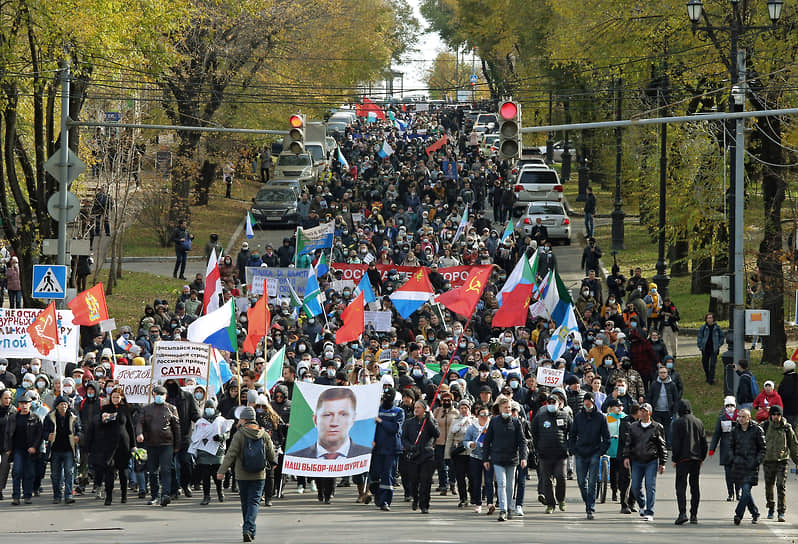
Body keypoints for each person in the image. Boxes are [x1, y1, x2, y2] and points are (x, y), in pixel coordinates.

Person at [217, 406, 276, 543]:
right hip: (259, 474)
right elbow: (271, 453)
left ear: (243, 419)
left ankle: (248, 528)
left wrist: (222, 471)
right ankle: (249, 529)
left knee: (245, 503)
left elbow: (231, 454)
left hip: (242, 474)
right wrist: (273, 463)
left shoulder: (240, 434)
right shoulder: (264, 433)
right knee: (254, 502)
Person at [482, 397, 528, 521]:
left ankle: (509, 508)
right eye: (505, 407)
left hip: (512, 458)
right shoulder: (494, 421)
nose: (507, 410)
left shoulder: (516, 422)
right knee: (501, 483)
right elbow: (487, 440)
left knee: (510, 485)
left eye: (509, 407)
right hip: (497, 458)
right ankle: (502, 509)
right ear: (500, 408)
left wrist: (523, 457)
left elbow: (522, 441)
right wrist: (485, 458)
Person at [291, 387, 371, 458]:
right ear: (315, 419)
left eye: (343, 414)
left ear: (353, 419)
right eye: (328, 415)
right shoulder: (296, 458)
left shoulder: (366, 456)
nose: (334, 423)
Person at [135, 385, 181, 507]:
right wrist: (139, 433)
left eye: (162, 394)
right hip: (151, 444)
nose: (159, 396)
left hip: (167, 444)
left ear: (165, 396)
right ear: (153, 395)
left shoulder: (171, 408)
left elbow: (177, 428)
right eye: (157, 394)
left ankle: (165, 495)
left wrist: (177, 445)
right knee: (153, 471)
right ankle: (154, 495)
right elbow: (140, 422)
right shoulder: (146, 409)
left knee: (166, 470)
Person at [568, 391, 610, 520]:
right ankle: (588, 501)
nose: (587, 404)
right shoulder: (579, 417)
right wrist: (573, 449)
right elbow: (572, 435)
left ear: (593, 402)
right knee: (581, 482)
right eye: (585, 402)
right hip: (580, 453)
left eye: (589, 402)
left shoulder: (600, 417)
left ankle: (590, 507)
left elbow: (606, 438)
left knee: (592, 481)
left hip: (594, 452)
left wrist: (600, 451)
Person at [623, 403, 666, 521]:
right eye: (641, 411)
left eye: (645, 411)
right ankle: (642, 504)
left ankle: (649, 511)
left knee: (650, 486)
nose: (642, 413)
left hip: (651, 460)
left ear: (650, 413)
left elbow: (662, 446)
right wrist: (626, 457)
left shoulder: (657, 427)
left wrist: (663, 462)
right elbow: (628, 443)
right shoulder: (633, 427)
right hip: (636, 460)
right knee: (635, 486)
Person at [91, 387, 135, 505]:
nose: (115, 399)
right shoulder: (105, 408)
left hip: (123, 444)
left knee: (123, 471)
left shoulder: (126, 409)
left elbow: (130, 428)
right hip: (108, 444)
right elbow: (98, 425)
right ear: (110, 397)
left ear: (121, 398)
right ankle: (108, 496)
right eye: (113, 397)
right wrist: (103, 420)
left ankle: (124, 495)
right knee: (109, 471)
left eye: (118, 397)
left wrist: (133, 445)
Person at [531, 391, 572, 514]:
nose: (551, 404)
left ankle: (561, 499)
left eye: (554, 402)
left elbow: (573, 431)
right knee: (546, 480)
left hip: (561, 454)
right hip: (544, 454)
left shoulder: (565, 416)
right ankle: (550, 504)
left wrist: (569, 446)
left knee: (561, 477)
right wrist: (538, 446)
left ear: (559, 404)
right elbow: (534, 431)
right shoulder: (540, 416)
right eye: (549, 402)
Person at [670, 399, 707, 525]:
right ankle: (694, 515)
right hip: (696, 458)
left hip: (682, 458)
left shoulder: (677, 423)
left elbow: (675, 443)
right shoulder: (699, 422)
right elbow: (703, 443)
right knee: (694, 486)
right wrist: (702, 457)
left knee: (681, 486)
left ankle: (682, 513)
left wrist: (675, 458)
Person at [401, 400, 440, 514]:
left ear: (424, 409)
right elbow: (404, 438)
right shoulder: (409, 423)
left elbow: (436, 434)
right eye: (415, 407)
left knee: (425, 481)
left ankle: (424, 504)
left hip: (427, 455)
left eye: (419, 407)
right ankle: (415, 498)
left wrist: (429, 420)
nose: (416, 409)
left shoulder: (430, 421)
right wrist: (409, 447)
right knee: (414, 481)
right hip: (413, 455)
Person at [761, 404, 798, 522]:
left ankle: (781, 511)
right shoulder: (765, 427)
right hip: (768, 461)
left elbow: (794, 445)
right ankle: (771, 507)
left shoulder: (787, 428)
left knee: (781, 485)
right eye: (774, 414)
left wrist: (797, 460)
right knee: (769, 486)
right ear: (770, 415)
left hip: (782, 461)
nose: (776, 417)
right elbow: (756, 442)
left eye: (778, 414)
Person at [370, 386, 404, 511]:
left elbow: (395, 428)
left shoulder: (399, 412)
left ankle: (385, 501)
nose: (386, 399)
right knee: (375, 476)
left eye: (388, 397)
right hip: (377, 448)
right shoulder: (376, 410)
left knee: (388, 475)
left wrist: (381, 421)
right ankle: (377, 495)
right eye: (384, 397)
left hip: (391, 449)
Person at [5, 392, 42, 504]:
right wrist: (8, 448)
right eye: (22, 403)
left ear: (30, 404)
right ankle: (16, 496)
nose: (24, 405)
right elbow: (8, 433)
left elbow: (39, 434)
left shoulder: (35, 418)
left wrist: (35, 447)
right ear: (19, 405)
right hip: (17, 449)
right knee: (16, 472)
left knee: (29, 473)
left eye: (26, 403)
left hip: (30, 450)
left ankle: (27, 495)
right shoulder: (13, 418)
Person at [729, 408, 765, 525]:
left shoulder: (756, 430)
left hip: (751, 466)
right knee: (746, 493)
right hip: (738, 466)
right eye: (739, 416)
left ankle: (738, 515)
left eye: (743, 417)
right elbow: (730, 446)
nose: (740, 419)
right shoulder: (735, 430)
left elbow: (762, 448)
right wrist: (733, 458)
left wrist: (757, 461)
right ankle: (755, 513)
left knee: (745, 491)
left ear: (749, 418)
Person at [42, 395, 80, 504]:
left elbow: (79, 429)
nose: (63, 406)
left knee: (69, 472)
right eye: (61, 404)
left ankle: (68, 495)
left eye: (65, 404)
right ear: (57, 406)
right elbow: (44, 431)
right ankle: (57, 495)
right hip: (55, 449)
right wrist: (47, 436)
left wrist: (78, 436)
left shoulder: (73, 416)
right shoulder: (50, 417)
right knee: (55, 474)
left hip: (69, 449)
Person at [193, 399, 228, 505]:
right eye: (207, 408)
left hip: (217, 451)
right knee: (205, 476)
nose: (209, 410)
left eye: (211, 407)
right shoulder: (200, 422)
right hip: (204, 452)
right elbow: (195, 436)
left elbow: (227, 433)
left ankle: (220, 491)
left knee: (217, 475)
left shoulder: (221, 420)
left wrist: (221, 437)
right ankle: (206, 496)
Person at [464, 403, 494, 514]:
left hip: (488, 457)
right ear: (477, 415)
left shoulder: (491, 426)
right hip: (475, 457)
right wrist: (470, 444)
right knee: (476, 481)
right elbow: (465, 440)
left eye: (486, 414)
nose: (484, 416)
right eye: (482, 414)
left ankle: (490, 503)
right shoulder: (472, 427)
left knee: (489, 480)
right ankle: (478, 503)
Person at [709, 396, 739, 502]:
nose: (730, 408)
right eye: (728, 406)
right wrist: (712, 448)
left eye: (732, 405)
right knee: (728, 473)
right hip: (726, 449)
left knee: (738, 472)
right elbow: (717, 434)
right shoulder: (721, 418)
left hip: (738, 449)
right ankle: (730, 493)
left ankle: (738, 492)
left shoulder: (740, 417)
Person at [646, 365, 680, 448]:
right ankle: (658, 445)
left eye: (664, 372)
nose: (663, 374)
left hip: (668, 411)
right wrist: (649, 409)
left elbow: (676, 399)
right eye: (661, 373)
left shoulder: (672, 385)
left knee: (668, 429)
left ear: (667, 373)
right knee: (657, 429)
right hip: (656, 411)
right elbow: (650, 397)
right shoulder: (654, 384)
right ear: (658, 374)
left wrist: (674, 410)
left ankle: (668, 445)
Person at [696, 313, 724, 385]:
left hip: (714, 348)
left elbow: (722, 336)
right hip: (705, 349)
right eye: (708, 318)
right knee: (705, 363)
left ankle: (711, 379)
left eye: (711, 318)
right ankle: (707, 376)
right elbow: (700, 336)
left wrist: (719, 344)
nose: (709, 319)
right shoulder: (703, 327)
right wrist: (700, 345)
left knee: (712, 364)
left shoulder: (717, 328)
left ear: (713, 319)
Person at [779, 360, 798, 427]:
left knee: (788, 426)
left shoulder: (787, 379)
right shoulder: (796, 377)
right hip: (795, 407)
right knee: (793, 425)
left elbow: (786, 394)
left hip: (788, 408)